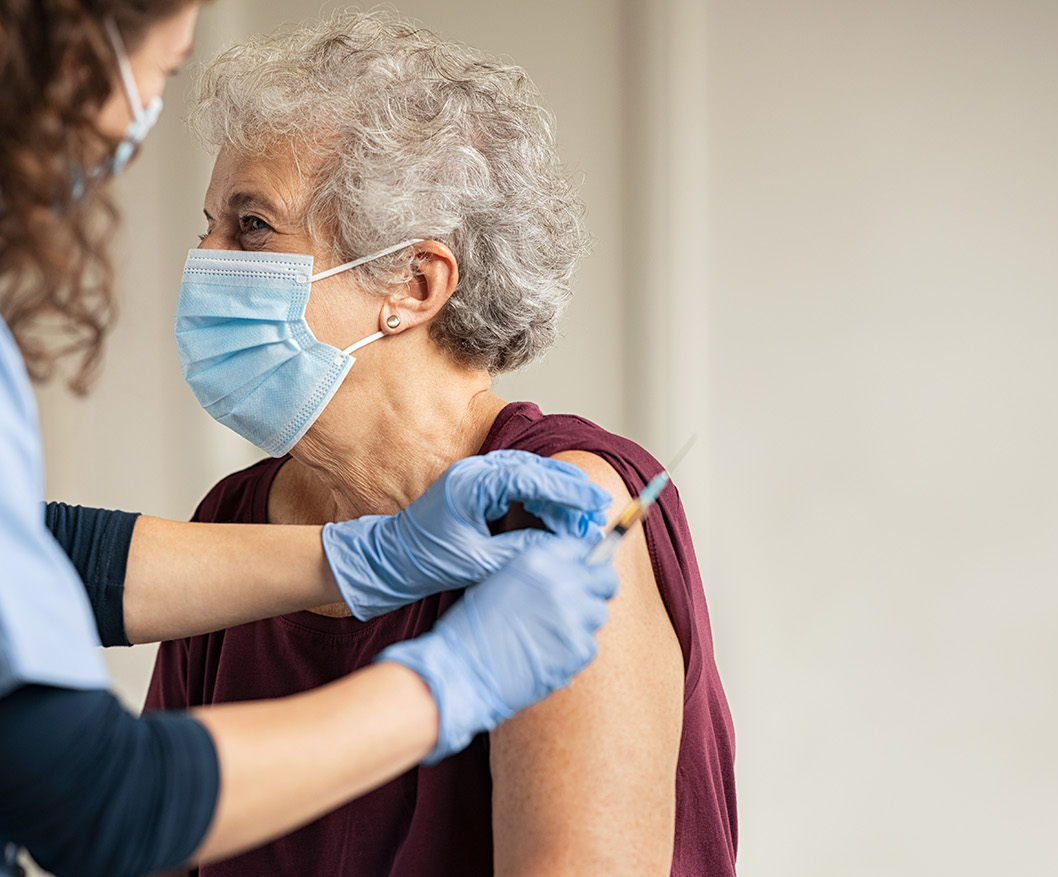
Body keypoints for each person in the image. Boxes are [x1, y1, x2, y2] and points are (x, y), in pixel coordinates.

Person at [0, 3, 622, 876]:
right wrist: (453, 683)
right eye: (161, 70)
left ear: (415, 285)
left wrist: (359, 559)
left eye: (249, 226)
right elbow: (97, 802)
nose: (136, 116)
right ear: (67, 50)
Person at [140, 10, 738, 876]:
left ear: (414, 284)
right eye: (210, 227)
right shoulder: (233, 522)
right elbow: (139, 822)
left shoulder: (557, 518)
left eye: (252, 226)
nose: (206, 261)